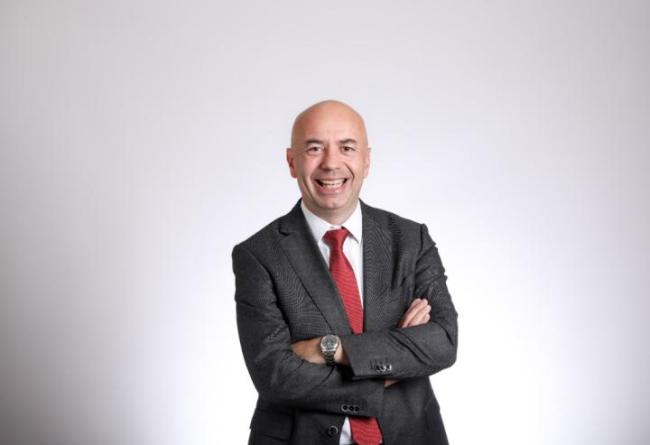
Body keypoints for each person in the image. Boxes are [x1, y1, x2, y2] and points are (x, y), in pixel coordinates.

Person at [232, 100, 458, 445]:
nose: (331, 163)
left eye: (347, 148)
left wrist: (331, 349)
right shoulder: (258, 255)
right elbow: (275, 375)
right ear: (292, 162)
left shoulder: (411, 239)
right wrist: (395, 360)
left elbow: (443, 342)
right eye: (314, 148)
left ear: (367, 160)